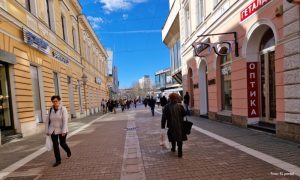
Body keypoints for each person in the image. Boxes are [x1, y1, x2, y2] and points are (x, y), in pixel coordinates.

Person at [45, 95, 71, 167]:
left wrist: (63, 131)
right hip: (53, 130)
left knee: (62, 144)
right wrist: (47, 130)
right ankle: (58, 160)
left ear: (59, 101)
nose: (55, 103)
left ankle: (68, 151)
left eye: (56, 101)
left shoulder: (63, 109)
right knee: (55, 145)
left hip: (62, 129)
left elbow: (65, 121)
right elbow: (47, 121)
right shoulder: (51, 110)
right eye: (53, 101)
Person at [161, 93, 187, 158]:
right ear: (176, 98)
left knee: (173, 137)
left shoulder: (166, 107)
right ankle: (180, 152)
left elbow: (164, 118)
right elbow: (184, 114)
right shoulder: (180, 106)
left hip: (171, 125)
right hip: (180, 125)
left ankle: (173, 148)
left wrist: (163, 127)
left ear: (170, 98)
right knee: (179, 138)